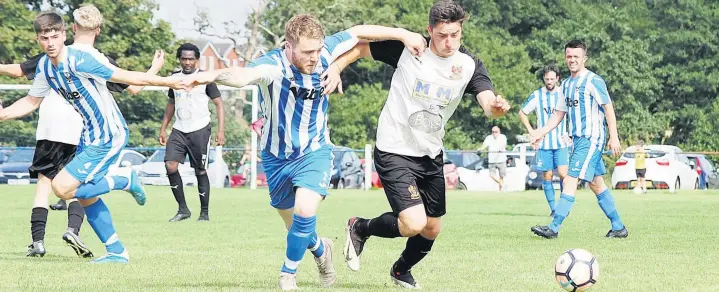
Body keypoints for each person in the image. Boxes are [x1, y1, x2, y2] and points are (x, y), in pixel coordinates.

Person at [180, 14, 427, 290]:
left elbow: (358, 31)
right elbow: (241, 76)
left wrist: (403, 33)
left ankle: (288, 276)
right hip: (275, 158)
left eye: (319, 50)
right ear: (289, 46)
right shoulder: (272, 65)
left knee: (305, 210)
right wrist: (210, 75)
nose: (315, 57)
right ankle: (322, 251)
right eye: (308, 52)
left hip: (314, 151)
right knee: (297, 227)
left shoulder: (325, 53)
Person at [325, 1, 511, 288]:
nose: (449, 42)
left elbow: (486, 100)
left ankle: (401, 270)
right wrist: (337, 66)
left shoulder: (468, 65)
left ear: (461, 31)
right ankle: (360, 227)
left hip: (430, 153)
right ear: (429, 31)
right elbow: (362, 47)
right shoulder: (411, 49)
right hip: (394, 147)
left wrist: (495, 108)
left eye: (455, 35)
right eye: (442, 35)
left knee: (432, 228)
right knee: (413, 223)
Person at [0, 9, 182, 263]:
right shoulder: (44, 66)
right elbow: (31, 101)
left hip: (109, 134)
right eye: (45, 38)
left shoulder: (82, 59)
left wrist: (170, 82)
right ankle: (117, 252)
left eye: (55, 36)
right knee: (85, 195)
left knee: (61, 187)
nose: (50, 43)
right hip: (88, 135)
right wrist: (4, 114)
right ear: (38, 40)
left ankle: (125, 178)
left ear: (66, 34)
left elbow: (128, 79)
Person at [529, 39, 628, 239]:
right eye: (569, 56)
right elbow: (558, 115)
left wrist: (614, 137)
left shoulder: (593, 81)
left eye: (576, 56)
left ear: (584, 58)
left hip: (592, 139)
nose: (572, 60)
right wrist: (540, 132)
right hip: (578, 141)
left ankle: (554, 227)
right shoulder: (565, 85)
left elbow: (608, 108)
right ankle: (618, 227)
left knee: (570, 179)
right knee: (596, 183)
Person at [159, 43, 225, 222]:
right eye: (184, 58)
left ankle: (204, 213)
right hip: (179, 129)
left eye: (191, 59)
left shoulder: (205, 78)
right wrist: (164, 128)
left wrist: (221, 130)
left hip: (200, 129)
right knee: (170, 166)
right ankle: (183, 209)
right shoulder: (174, 78)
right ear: (179, 59)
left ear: (197, 60)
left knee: (200, 171)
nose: (187, 62)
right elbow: (171, 104)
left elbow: (219, 104)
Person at [519, 64, 570, 215]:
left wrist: (571, 133)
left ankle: (563, 206)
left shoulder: (564, 93)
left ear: (557, 79)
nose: (549, 81)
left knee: (563, 174)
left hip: (561, 141)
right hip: (544, 142)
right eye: (547, 79)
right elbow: (522, 112)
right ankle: (554, 209)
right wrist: (532, 132)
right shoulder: (537, 95)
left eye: (552, 79)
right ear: (544, 79)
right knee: (547, 175)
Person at [479, 126, 508, 191]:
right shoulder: (489, 138)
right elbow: (484, 145)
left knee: (501, 176)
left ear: (499, 132)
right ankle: (501, 184)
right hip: (492, 160)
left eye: (496, 132)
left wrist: (500, 149)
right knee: (491, 174)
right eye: (493, 132)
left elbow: (503, 145)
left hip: (501, 159)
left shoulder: (502, 137)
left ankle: (501, 191)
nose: (494, 133)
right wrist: (481, 149)